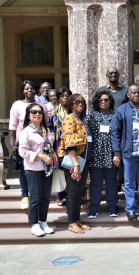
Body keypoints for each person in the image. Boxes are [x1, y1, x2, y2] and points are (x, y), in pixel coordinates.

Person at [111, 84, 139, 222]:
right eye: (133, 93)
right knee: (128, 183)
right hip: (129, 152)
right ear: (128, 95)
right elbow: (115, 132)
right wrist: (117, 152)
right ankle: (130, 209)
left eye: (138, 93)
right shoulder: (121, 110)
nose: (136, 95)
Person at [18, 103, 56, 237]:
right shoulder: (26, 132)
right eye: (34, 112)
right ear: (29, 115)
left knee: (45, 198)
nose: (37, 114)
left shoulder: (46, 130)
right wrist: (40, 156)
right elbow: (22, 151)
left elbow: (50, 146)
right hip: (33, 168)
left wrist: (52, 155)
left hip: (47, 168)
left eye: (40, 112)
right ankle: (34, 224)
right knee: (34, 197)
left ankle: (43, 221)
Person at [57, 94, 93, 234]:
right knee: (72, 192)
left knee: (79, 192)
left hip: (83, 161)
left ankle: (77, 219)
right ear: (71, 104)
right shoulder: (69, 119)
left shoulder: (82, 120)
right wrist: (76, 164)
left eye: (82, 102)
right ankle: (71, 223)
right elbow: (69, 144)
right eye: (77, 102)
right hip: (75, 161)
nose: (80, 104)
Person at [9, 80, 47, 209]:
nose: (29, 90)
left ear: (36, 90)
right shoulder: (17, 105)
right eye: (26, 88)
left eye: (31, 88)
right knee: (24, 169)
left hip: (39, 142)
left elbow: (46, 123)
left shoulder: (41, 106)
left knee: (37, 170)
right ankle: (25, 195)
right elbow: (13, 125)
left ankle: (36, 194)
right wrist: (12, 142)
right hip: (22, 142)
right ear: (22, 91)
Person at [87, 90, 119, 218]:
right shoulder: (91, 115)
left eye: (106, 100)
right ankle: (94, 208)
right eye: (101, 100)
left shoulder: (116, 114)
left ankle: (112, 207)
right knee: (96, 183)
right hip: (96, 154)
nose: (104, 102)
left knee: (111, 183)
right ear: (97, 102)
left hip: (111, 154)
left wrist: (117, 153)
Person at [49, 87, 72, 206]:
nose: (64, 98)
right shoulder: (54, 112)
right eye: (62, 96)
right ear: (58, 98)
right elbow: (50, 128)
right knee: (59, 170)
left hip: (71, 144)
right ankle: (60, 196)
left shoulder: (73, 111)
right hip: (58, 144)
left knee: (71, 169)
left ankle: (71, 195)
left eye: (67, 96)